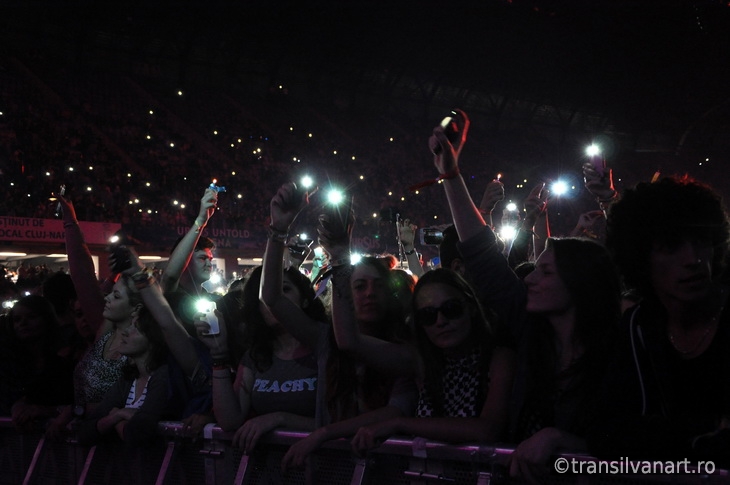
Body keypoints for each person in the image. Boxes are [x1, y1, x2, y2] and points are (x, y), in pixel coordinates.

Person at [589, 175, 730, 468]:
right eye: (671, 246)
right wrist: (701, 431)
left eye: (701, 242)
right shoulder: (638, 327)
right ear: (640, 257)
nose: (693, 259)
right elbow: (606, 432)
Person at [508, 237, 621, 482]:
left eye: (546, 272)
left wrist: (558, 438)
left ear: (580, 281)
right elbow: (481, 257)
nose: (529, 279)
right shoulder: (531, 342)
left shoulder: (621, 354)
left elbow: (627, 445)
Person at [77, 306, 170, 446]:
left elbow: (137, 435)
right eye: (129, 325)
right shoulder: (128, 380)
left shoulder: (163, 377)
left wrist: (113, 417)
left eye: (136, 328)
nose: (126, 332)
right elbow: (84, 432)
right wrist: (120, 415)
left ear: (153, 338)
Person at [2, 295, 75, 430]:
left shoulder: (65, 360)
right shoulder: (8, 363)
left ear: (46, 319)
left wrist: (44, 410)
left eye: (31, 317)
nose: (23, 323)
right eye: (17, 320)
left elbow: (75, 403)